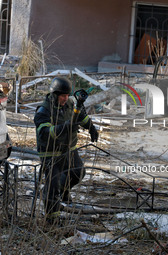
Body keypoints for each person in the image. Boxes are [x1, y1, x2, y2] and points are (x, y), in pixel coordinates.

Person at [34, 77, 98, 222]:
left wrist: (91, 127)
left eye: (67, 95)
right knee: (53, 184)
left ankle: (62, 191)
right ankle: (52, 218)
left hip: (69, 148)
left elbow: (80, 115)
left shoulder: (69, 103)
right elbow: (45, 133)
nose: (66, 98)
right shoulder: (44, 110)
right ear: (55, 95)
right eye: (63, 96)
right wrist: (65, 127)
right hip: (51, 153)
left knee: (78, 172)